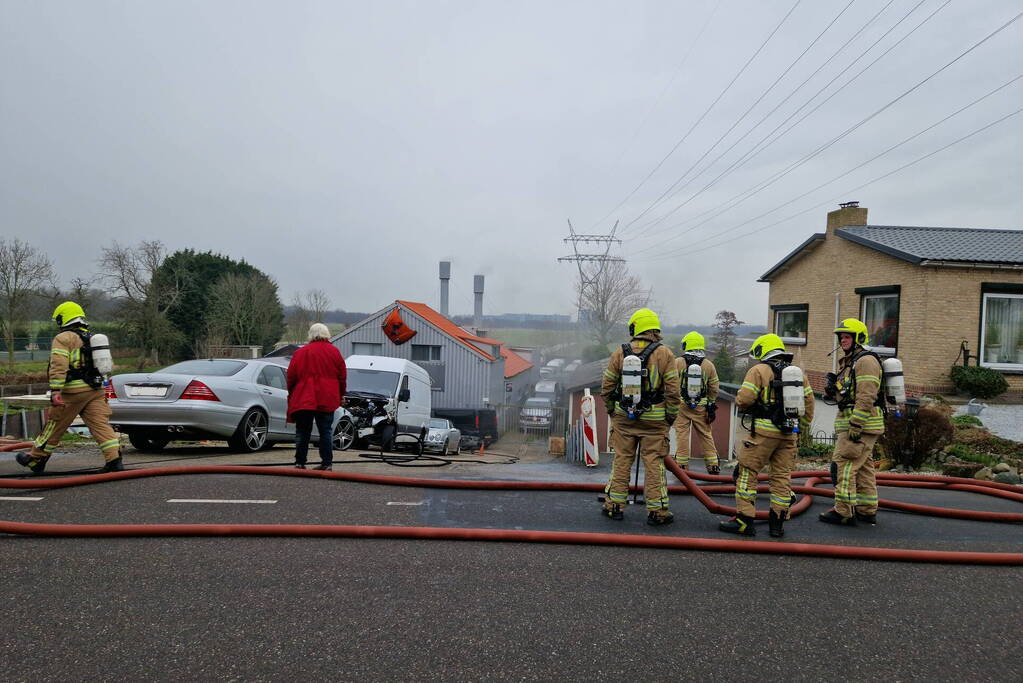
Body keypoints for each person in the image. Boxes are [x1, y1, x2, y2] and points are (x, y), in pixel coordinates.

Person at [719, 334, 813, 538]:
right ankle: (777, 525)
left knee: (747, 473)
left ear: (763, 351)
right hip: (788, 434)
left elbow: (744, 399)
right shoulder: (798, 374)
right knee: (781, 478)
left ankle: (744, 521)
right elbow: (809, 405)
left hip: (762, 433)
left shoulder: (758, 370)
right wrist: (798, 428)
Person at [15, 302, 124, 474]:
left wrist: (56, 390)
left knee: (54, 424)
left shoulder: (64, 338)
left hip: (73, 391)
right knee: (101, 425)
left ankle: (35, 459)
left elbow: (59, 365)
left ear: (63, 318)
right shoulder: (91, 336)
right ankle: (114, 460)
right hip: (95, 390)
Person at [600, 308, 681, 525]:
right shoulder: (666, 354)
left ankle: (614, 506)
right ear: (654, 329)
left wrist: (612, 411)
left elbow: (606, 387)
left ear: (636, 327)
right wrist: (670, 418)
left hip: (624, 418)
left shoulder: (620, 352)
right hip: (655, 421)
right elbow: (673, 392)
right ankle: (657, 512)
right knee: (654, 463)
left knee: (622, 459)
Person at [819, 318, 884, 526]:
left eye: (847, 337)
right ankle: (866, 510)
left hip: (859, 425)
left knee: (844, 466)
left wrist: (856, 424)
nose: (843, 340)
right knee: (864, 468)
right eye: (841, 337)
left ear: (858, 338)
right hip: (859, 423)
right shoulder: (851, 361)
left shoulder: (865, 361)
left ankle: (843, 511)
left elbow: (866, 396)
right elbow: (849, 393)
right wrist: (834, 389)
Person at [286, 323, 347, 470]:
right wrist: (341, 394)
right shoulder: (334, 352)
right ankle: (327, 463)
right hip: (327, 397)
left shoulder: (301, 352)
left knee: (302, 431)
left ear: (311, 335)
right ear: (327, 334)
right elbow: (342, 377)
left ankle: (300, 462)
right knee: (325, 430)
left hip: (304, 396)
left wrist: (292, 392)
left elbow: (291, 376)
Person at [673, 331, 721, 474]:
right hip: (701, 406)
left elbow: (671, 384)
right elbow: (714, 387)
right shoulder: (708, 365)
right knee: (705, 434)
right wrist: (711, 404)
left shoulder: (678, 362)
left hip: (681, 405)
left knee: (682, 434)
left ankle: (682, 466)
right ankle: (713, 465)